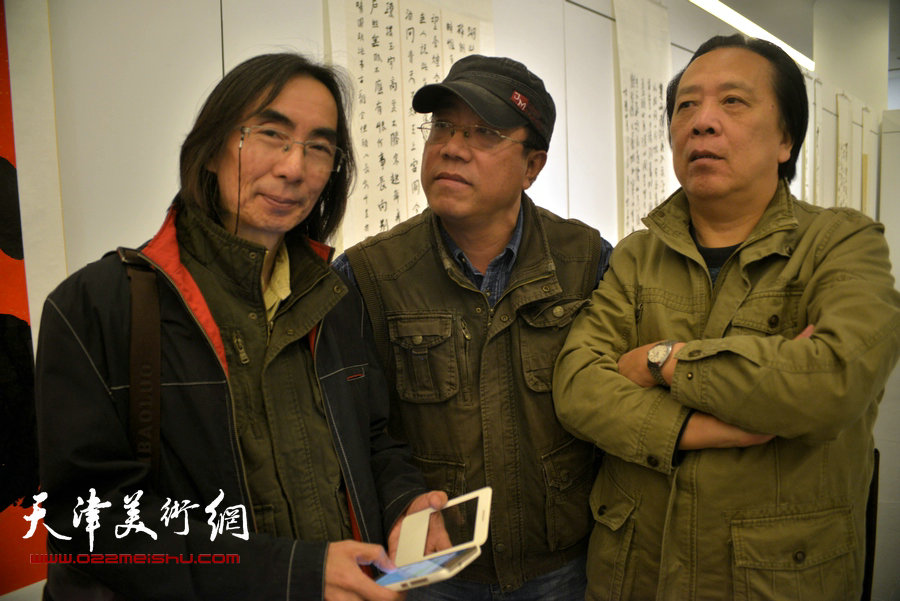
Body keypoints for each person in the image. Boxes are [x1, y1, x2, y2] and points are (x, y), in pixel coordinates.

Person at [35, 53, 446, 601]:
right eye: (271, 134)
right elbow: (89, 520)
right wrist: (289, 573)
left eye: (319, 147)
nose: (294, 168)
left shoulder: (333, 298)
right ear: (210, 149)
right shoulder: (97, 305)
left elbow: (373, 439)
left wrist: (403, 504)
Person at [553, 34, 900, 601]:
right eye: (686, 105)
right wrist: (702, 428)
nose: (702, 122)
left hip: (775, 579)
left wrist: (664, 362)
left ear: (785, 138)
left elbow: (832, 380)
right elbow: (577, 387)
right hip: (635, 574)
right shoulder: (638, 255)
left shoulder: (841, 243)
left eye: (733, 102)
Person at [333, 55, 613, 599]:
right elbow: (359, 431)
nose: (452, 148)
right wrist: (400, 503)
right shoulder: (371, 275)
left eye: (484, 133)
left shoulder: (586, 261)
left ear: (532, 166)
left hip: (562, 568)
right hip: (434, 573)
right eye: (442, 126)